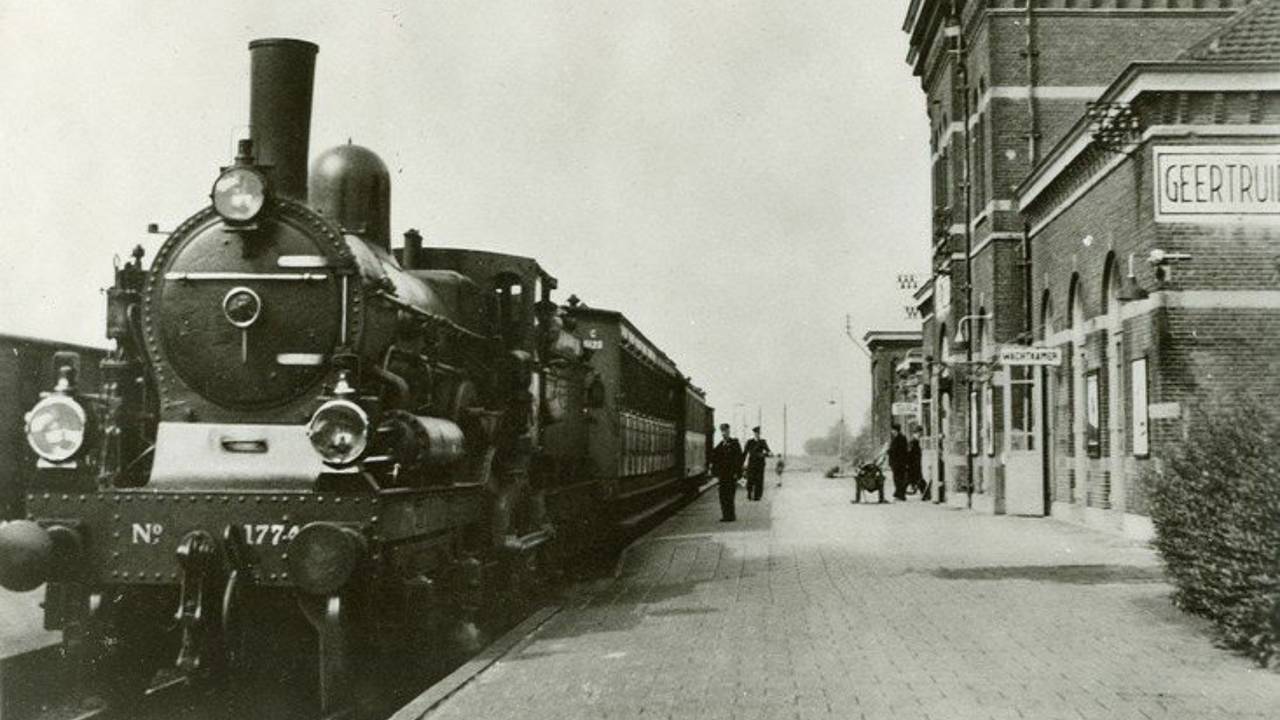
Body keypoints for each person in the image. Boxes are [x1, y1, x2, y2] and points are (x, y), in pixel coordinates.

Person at [709, 423, 743, 521]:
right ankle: (725, 515)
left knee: (730, 496)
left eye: (726, 431)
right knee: (722, 496)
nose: (724, 433)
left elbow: (739, 459)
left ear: (729, 431)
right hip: (723, 475)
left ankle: (731, 516)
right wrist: (714, 470)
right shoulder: (720, 445)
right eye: (722, 431)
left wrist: (737, 473)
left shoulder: (734, 443)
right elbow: (714, 456)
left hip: (731, 474)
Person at [742, 426, 772, 501]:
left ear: (759, 434)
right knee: (750, 479)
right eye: (755, 433)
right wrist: (741, 463)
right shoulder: (749, 442)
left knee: (759, 480)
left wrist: (766, 454)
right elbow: (745, 453)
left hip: (760, 464)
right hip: (751, 463)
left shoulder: (763, 442)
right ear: (753, 433)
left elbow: (768, 451)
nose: (757, 434)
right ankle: (749, 493)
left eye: (758, 433)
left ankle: (757, 496)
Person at [888, 423, 909, 501]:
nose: (891, 431)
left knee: (899, 479)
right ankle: (899, 494)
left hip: (899, 463)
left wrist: (890, 451)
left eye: (892, 430)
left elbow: (900, 451)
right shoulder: (898, 438)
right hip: (896, 463)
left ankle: (901, 495)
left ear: (895, 430)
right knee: (897, 478)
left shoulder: (900, 439)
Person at [907, 425, 925, 499]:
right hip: (914, 464)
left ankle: (923, 492)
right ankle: (924, 493)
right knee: (917, 478)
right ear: (916, 433)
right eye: (920, 433)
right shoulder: (913, 442)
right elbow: (910, 453)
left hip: (915, 464)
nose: (921, 435)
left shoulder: (915, 441)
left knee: (915, 478)